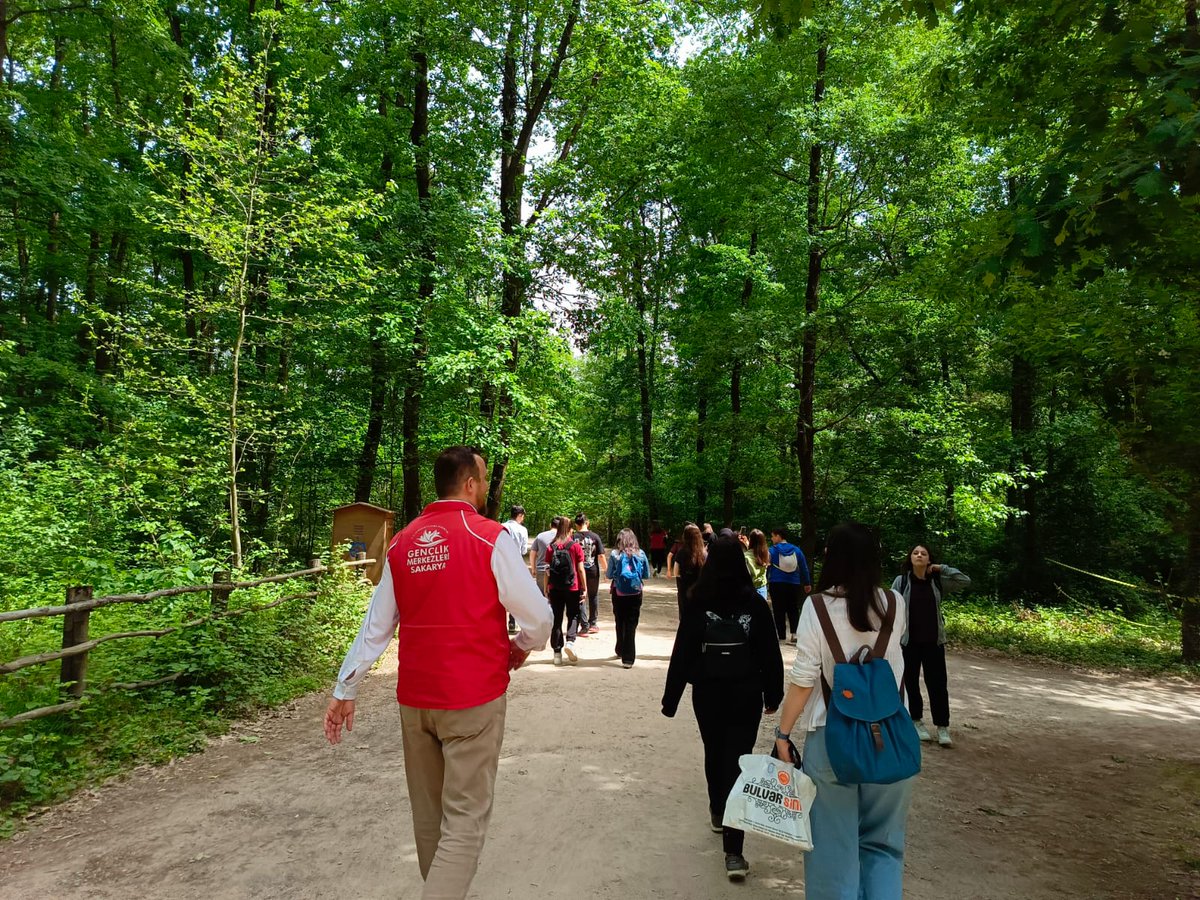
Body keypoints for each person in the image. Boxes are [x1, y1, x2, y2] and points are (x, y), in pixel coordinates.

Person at [323, 446, 552, 900]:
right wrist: (520, 648)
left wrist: (345, 687)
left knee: (429, 817)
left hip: (415, 701)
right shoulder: (490, 537)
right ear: (469, 484)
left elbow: (376, 627)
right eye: (483, 478)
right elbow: (540, 620)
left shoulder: (404, 541)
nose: (486, 486)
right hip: (472, 699)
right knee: (465, 820)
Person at [773, 522, 915, 900]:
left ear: (830, 558)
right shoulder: (895, 604)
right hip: (891, 737)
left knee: (833, 850)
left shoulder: (816, 606)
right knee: (884, 845)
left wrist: (783, 734)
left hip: (832, 738)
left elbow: (804, 678)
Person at [662, 536, 784, 883]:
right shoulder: (756, 605)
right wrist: (773, 695)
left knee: (714, 753)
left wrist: (671, 700)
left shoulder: (698, 601)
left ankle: (720, 812)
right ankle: (734, 848)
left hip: (708, 692)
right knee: (739, 760)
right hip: (746, 693)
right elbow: (770, 654)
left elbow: (683, 652)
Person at [891, 545, 971, 748]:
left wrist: (939, 568)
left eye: (923, 553)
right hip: (908, 642)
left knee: (938, 685)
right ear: (910, 558)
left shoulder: (937, 581)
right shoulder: (901, 582)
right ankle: (916, 721)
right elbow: (892, 608)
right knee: (910, 683)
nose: (919, 555)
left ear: (929, 559)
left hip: (933, 642)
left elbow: (964, 580)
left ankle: (942, 727)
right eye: (915, 553)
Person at [544, 516, 587, 666]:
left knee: (556, 619)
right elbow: (581, 569)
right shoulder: (575, 546)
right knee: (573, 614)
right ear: (570, 529)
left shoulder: (551, 547)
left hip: (555, 587)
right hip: (572, 586)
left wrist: (546, 589)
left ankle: (557, 653)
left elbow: (547, 570)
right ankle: (570, 642)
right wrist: (584, 587)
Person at [606, 528, 650, 668]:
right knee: (631, 624)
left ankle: (620, 649)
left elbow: (608, 575)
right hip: (636, 592)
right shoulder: (641, 553)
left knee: (620, 620)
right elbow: (646, 575)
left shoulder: (615, 554)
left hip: (618, 591)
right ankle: (628, 659)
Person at [767, 527, 812, 644]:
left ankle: (781, 636)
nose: (772, 539)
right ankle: (794, 634)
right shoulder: (797, 550)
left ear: (778, 536)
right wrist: (807, 583)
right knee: (793, 608)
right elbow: (804, 567)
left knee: (778, 609)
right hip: (793, 583)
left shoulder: (772, 550)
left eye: (773, 536)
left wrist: (767, 578)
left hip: (776, 582)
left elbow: (766, 565)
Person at [573, 513, 606, 634]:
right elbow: (601, 555)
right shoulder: (595, 537)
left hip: (577, 571)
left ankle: (583, 624)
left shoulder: (573, 537)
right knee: (593, 595)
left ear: (576, 525)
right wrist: (606, 570)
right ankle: (593, 623)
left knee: (580, 596)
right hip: (592, 570)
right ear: (587, 523)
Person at [502, 505, 530, 634]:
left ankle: (501, 622)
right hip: (516, 564)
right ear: (519, 515)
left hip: (502, 563)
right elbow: (524, 550)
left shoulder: (501, 526)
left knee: (502, 592)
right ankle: (512, 622)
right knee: (515, 594)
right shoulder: (522, 530)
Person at [670, 523, 707, 617]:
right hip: (700, 590)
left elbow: (675, 572)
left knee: (685, 617)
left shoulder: (681, 552)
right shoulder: (704, 554)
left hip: (684, 590)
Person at [529, 517, 561, 596]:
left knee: (541, 596)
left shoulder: (540, 536)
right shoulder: (563, 537)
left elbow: (532, 553)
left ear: (550, 525)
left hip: (541, 569)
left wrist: (533, 569)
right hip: (558, 571)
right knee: (556, 597)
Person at [743, 529, 770, 600]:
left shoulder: (746, 557)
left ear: (750, 540)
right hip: (762, 589)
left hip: (750, 591)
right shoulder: (766, 554)